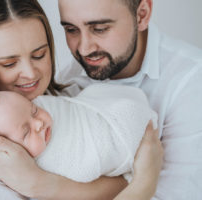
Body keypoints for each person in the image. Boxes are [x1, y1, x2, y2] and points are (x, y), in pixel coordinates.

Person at [0, 0, 163, 199]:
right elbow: (129, 183)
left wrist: (43, 183)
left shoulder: (73, 101)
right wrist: (145, 181)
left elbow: (121, 181)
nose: (30, 73)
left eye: (39, 55)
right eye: (9, 64)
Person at [54, 0, 202, 199]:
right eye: (71, 30)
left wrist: (41, 184)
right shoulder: (67, 74)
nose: (84, 48)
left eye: (99, 28)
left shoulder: (191, 81)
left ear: (142, 15)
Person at [0, 84, 157, 184]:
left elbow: (69, 110)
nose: (39, 123)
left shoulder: (45, 103)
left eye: (33, 110)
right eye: (26, 132)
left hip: (117, 118)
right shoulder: (29, 169)